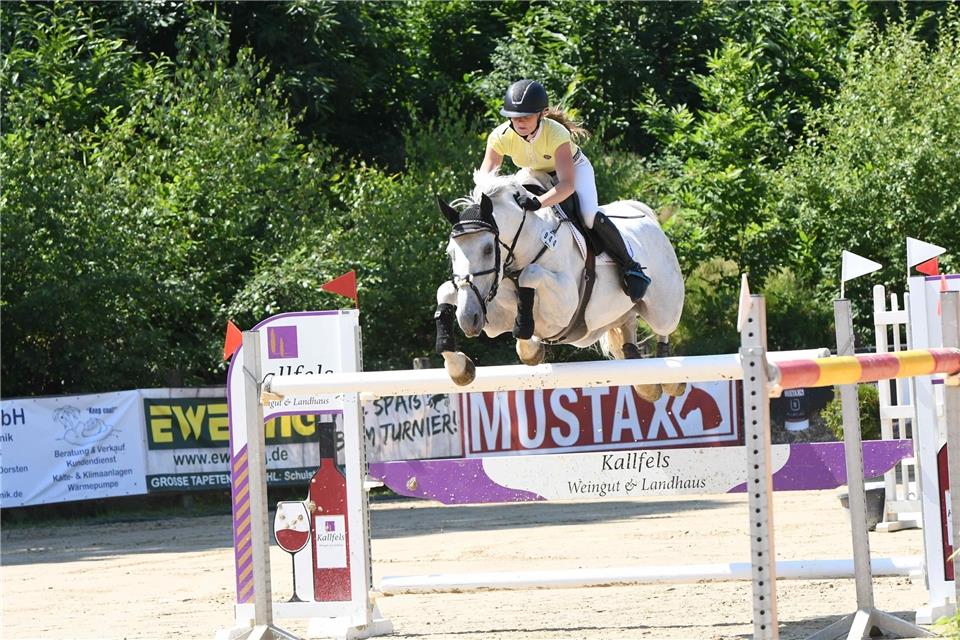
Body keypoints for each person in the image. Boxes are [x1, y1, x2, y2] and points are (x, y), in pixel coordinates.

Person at [479, 79, 651, 304]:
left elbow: (566, 185)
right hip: (533, 172)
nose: (520, 122)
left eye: (527, 116)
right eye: (514, 116)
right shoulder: (500, 136)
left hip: (573, 171)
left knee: (588, 215)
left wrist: (539, 203)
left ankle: (631, 266)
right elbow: (485, 179)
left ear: (542, 114)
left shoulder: (557, 134)